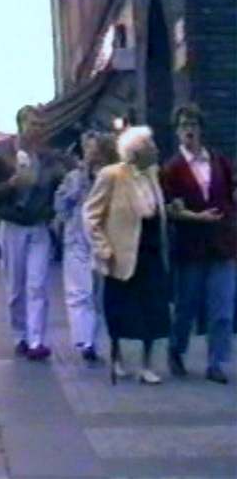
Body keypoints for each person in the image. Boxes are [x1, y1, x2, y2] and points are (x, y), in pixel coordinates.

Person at [83, 126, 171, 385]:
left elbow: (155, 208)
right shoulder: (112, 175)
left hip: (151, 248)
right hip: (122, 253)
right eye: (150, 145)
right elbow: (90, 215)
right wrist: (103, 248)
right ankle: (118, 357)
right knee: (119, 308)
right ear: (136, 151)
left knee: (153, 308)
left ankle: (147, 364)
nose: (156, 149)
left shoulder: (154, 174)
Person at [0, 106, 66, 360]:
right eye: (32, 124)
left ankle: (37, 341)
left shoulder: (48, 158)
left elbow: (57, 187)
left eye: (40, 124)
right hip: (13, 226)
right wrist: (10, 185)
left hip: (38, 226)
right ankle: (20, 335)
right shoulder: (2, 155)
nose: (37, 129)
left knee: (38, 284)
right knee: (16, 287)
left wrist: (52, 211)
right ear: (20, 125)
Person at [162, 104, 236, 385]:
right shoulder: (172, 168)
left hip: (222, 245)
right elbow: (168, 208)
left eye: (193, 124)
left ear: (201, 129)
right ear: (177, 131)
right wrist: (194, 216)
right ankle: (176, 349)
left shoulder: (219, 162)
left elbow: (231, 194)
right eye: (183, 125)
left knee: (222, 309)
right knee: (186, 308)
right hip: (190, 248)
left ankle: (216, 362)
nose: (189, 130)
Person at [54, 131, 118, 364]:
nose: (91, 153)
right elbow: (59, 205)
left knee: (98, 295)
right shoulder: (73, 178)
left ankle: (93, 338)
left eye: (95, 148)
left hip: (103, 240)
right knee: (79, 291)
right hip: (76, 239)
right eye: (87, 148)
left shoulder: (110, 177)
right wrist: (73, 194)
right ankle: (85, 342)